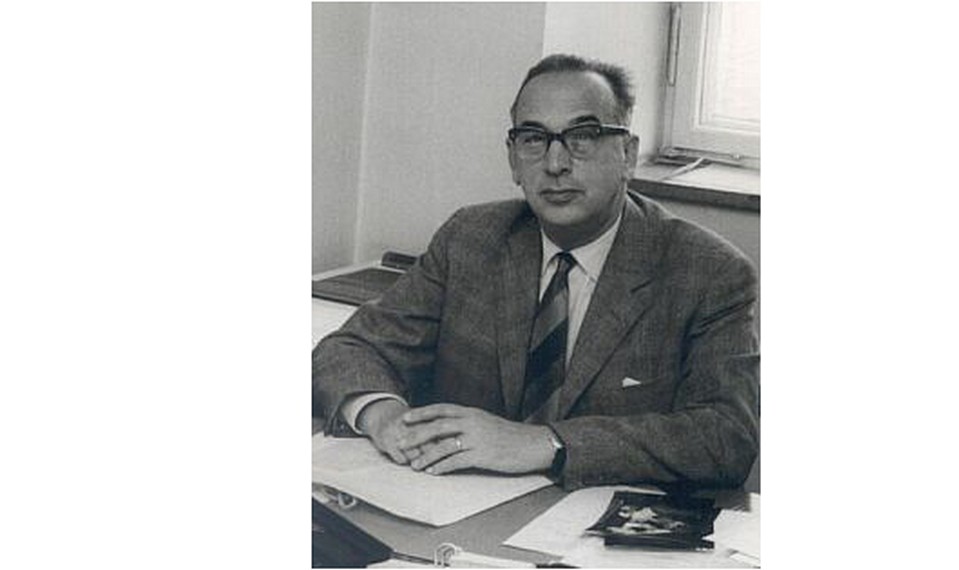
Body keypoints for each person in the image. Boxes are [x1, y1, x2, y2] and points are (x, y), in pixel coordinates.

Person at [313, 53, 759, 491]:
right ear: (513, 159)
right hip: (459, 512)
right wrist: (386, 417)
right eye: (533, 138)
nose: (555, 163)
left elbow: (726, 437)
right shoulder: (471, 238)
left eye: (582, 136)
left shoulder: (709, 272)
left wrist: (545, 443)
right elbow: (348, 349)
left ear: (627, 154)